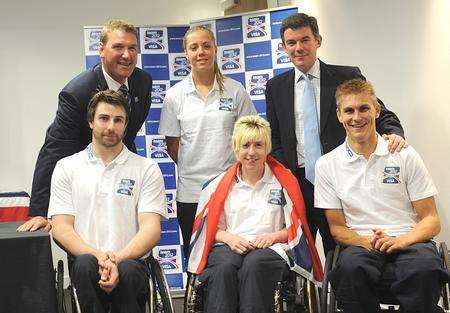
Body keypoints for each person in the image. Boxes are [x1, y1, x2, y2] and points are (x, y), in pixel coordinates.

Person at [265, 13, 406, 254]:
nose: (298, 48)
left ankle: (344, 293)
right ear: (284, 47)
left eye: (305, 40)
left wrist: (393, 132)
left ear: (318, 40)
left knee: (341, 250)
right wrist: (285, 171)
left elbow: (376, 111)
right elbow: (275, 137)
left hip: (342, 178)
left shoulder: (346, 76)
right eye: (291, 43)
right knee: (301, 253)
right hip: (300, 183)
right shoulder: (275, 87)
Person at [314, 79, 449, 313]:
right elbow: (337, 229)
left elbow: (431, 220)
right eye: (349, 110)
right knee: (348, 269)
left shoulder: (404, 154)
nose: (357, 117)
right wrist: (369, 242)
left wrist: (399, 241)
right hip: (361, 243)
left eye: (364, 108)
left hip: (410, 239)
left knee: (425, 268)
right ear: (339, 115)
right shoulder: (327, 165)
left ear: (376, 110)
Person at [18, 19, 153, 232]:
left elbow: (129, 131)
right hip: (88, 179)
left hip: (124, 171)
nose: (126, 55)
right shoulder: (77, 93)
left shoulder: (143, 82)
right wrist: (39, 212)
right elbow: (54, 150)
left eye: (132, 48)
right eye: (118, 47)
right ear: (101, 50)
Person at [187, 115, 323, 313]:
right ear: (236, 148)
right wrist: (230, 239)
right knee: (223, 268)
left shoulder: (285, 182)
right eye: (245, 145)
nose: (251, 152)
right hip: (229, 245)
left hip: (272, 248)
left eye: (258, 145)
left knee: (254, 264)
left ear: (267, 148)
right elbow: (210, 230)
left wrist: (272, 237)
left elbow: (296, 230)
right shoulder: (218, 185)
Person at [48, 90, 167, 313]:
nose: (111, 127)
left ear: (126, 125)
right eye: (104, 118)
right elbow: (61, 228)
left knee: (130, 270)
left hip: (131, 263)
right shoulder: (67, 167)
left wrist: (117, 259)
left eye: (118, 120)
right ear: (91, 122)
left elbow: (151, 229)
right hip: (86, 265)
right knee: (84, 264)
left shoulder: (146, 168)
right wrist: (100, 257)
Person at [158, 26, 256, 259]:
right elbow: (173, 147)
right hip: (191, 193)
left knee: (233, 255)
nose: (200, 52)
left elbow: (249, 138)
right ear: (186, 53)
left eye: (206, 46)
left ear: (215, 49)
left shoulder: (235, 91)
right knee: (195, 257)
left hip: (231, 189)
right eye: (194, 47)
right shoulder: (175, 95)